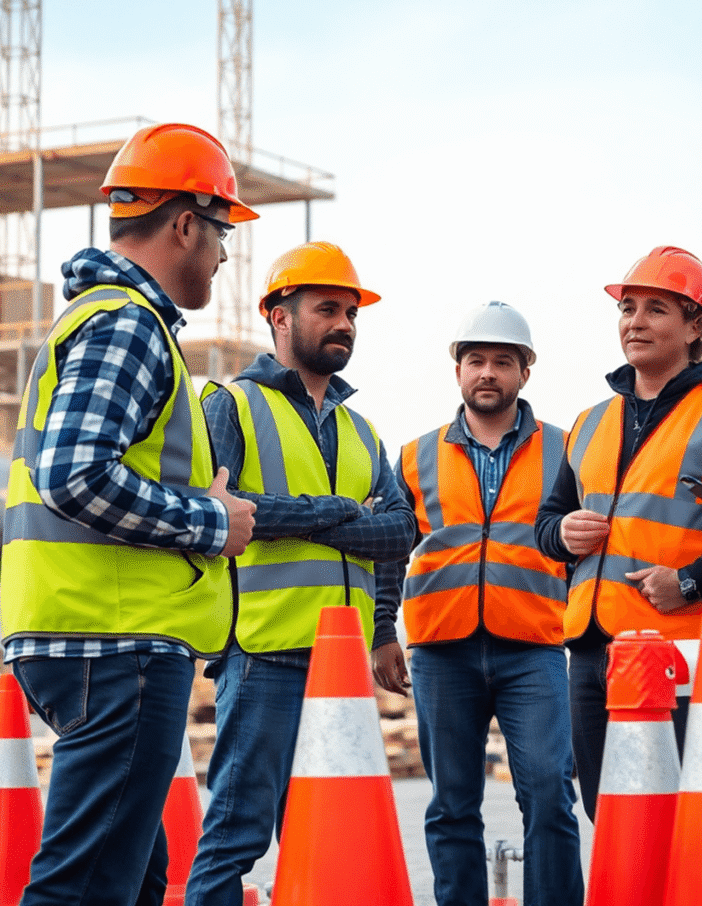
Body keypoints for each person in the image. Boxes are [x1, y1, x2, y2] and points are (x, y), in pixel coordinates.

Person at [0, 123, 258, 906]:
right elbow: (75, 475)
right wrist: (213, 523)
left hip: (87, 637)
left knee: (135, 880)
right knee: (84, 889)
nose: (223, 255)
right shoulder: (128, 324)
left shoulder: (101, 319)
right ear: (183, 225)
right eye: (221, 233)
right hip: (115, 644)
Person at [186, 242, 416, 906]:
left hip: (339, 667)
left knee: (324, 843)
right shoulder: (231, 404)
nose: (343, 323)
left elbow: (399, 532)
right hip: (265, 655)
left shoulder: (362, 430)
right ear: (279, 316)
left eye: (351, 312)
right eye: (327, 309)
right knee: (235, 836)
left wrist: (380, 625)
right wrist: (342, 511)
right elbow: (225, 510)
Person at [534, 246, 702, 821]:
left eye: (656, 309)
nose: (635, 322)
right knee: (608, 815)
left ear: (697, 327)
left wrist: (689, 583)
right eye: (628, 308)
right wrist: (562, 533)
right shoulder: (591, 422)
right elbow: (546, 523)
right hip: (593, 651)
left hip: (686, 651)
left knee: (684, 818)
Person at [372, 301, 584, 906]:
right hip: (442, 651)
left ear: (525, 372)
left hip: (535, 647)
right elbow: (391, 552)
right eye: (476, 361)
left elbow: (587, 546)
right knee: (452, 803)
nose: (487, 372)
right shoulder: (415, 456)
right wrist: (383, 631)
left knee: (550, 793)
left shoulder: (566, 451)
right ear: (458, 370)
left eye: (502, 362)